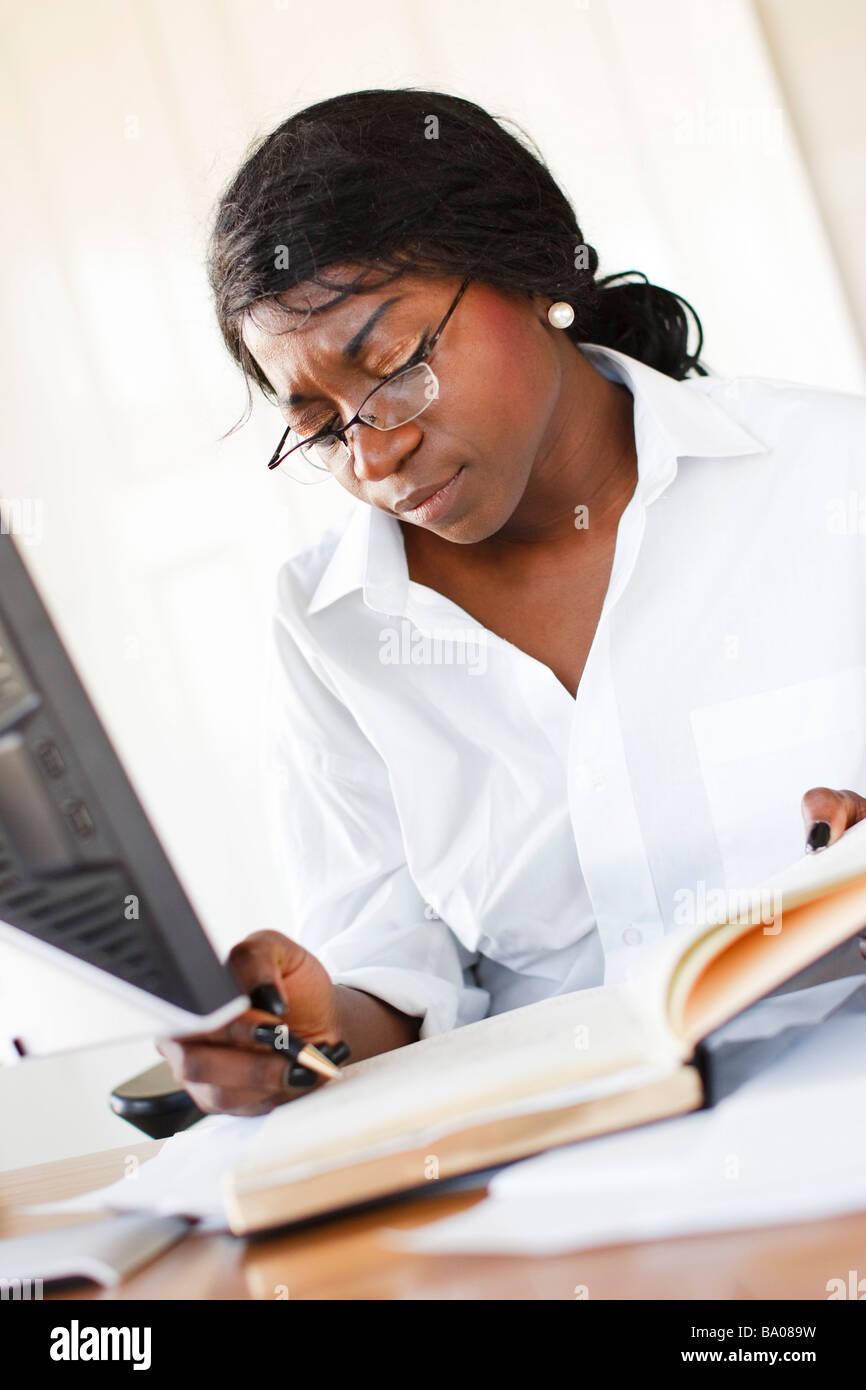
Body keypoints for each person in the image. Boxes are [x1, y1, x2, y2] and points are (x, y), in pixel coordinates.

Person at [156, 88, 866, 1116]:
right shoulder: (329, 621)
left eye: (393, 365)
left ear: (532, 273)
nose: (372, 452)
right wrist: (307, 1027)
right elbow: (392, 971)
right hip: (556, 1170)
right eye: (316, 423)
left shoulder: (831, 474)